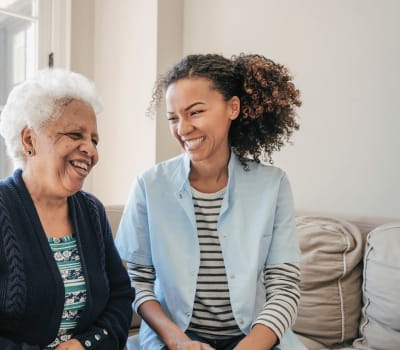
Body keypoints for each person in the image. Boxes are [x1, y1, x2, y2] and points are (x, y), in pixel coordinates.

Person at [0, 68, 134, 350]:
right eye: (76, 134)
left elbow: (120, 295)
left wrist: (86, 344)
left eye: (94, 140)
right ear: (29, 140)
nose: (90, 150)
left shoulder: (92, 212)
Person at [115, 53, 306, 350]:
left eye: (195, 112)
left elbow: (284, 287)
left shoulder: (273, 184)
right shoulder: (149, 185)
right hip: (175, 339)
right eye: (173, 118)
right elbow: (136, 279)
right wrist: (176, 340)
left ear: (232, 108)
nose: (182, 128)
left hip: (254, 340)